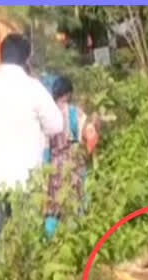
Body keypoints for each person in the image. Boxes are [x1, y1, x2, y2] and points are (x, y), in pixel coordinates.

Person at [0, 33, 63, 261]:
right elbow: (57, 126)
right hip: (28, 182)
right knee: (28, 240)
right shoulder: (34, 88)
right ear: (27, 58)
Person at [43, 76, 99, 239]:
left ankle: (50, 240)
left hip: (53, 165)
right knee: (77, 200)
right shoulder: (76, 112)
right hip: (74, 162)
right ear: (67, 93)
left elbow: (45, 146)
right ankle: (77, 238)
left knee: (53, 203)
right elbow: (90, 136)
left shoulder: (47, 113)